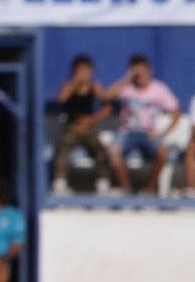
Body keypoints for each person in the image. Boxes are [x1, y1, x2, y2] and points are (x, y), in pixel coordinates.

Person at [106, 53, 181, 193]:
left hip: (149, 133)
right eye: (136, 72)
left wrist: (163, 133)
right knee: (113, 151)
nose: (139, 75)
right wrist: (128, 77)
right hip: (128, 131)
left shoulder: (159, 89)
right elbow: (107, 95)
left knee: (163, 153)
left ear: (149, 70)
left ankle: (149, 189)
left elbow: (176, 114)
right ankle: (127, 189)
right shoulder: (127, 88)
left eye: (142, 71)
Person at [52, 54, 113, 193]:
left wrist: (92, 119)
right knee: (62, 149)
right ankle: (60, 182)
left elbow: (107, 108)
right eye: (80, 70)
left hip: (89, 127)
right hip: (72, 127)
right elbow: (61, 100)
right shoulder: (68, 86)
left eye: (86, 70)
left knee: (101, 151)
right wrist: (75, 83)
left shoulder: (95, 87)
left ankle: (102, 182)